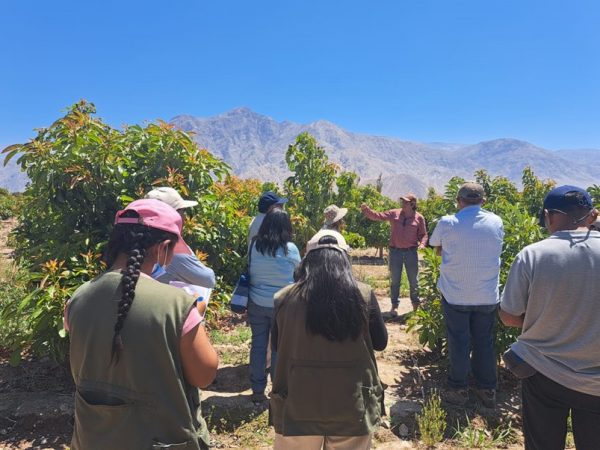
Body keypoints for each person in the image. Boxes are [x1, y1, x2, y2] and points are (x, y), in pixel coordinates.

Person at [66, 199, 218, 450]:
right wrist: (194, 318)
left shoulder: (78, 299)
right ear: (163, 248)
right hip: (161, 440)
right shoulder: (177, 305)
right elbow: (204, 375)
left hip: (93, 439)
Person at [499, 185, 600, 450]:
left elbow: (508, 316)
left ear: (549, 216)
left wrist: (544, 317)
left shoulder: (533, 254)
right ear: (592, 215)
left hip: (544, 373)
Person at [270, 231, 388, 450]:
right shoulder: (363, 294)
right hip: (353, 405)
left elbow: (277, 345)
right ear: (344, 259)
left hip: (298, 404)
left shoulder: (285, 298)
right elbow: (380, 342)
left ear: (307, 261)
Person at [429, 182, 503, 408]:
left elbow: (435, 245)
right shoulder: (496, 221)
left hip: (456, 295)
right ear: (484, 201)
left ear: (459, 201)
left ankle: (458, 389)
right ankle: (487, 389)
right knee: (484, 342)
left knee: (459, 342)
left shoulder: (448, 222)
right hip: (487, 296)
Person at [248, 209, 300, 404]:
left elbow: (251, 269)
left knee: (258, 345)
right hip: (282, 305)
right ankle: (277, 389)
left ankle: (257, 390)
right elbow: (298, 273)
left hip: (257, 302)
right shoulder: (291, 249)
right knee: (279, 348)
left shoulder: (254, 246)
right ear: (286, 226)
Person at [361, 193, 428, 313]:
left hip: (411, 252)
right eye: (403, 201)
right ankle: (394, 306)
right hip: (395, 252)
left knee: (413, 280)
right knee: (395, 280)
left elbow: (423, 235)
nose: (403, 203)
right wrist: (367, 211)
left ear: (413, 204)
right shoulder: (394, 213)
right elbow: (378, 216)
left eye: (406, 202)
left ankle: (415, 305)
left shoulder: (419, 218)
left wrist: (422, 244)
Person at [145, 187, 216, 288]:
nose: (184, 217)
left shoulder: (138, 240)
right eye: (182, 211)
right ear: (173, 215)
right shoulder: (169, 249)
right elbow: (208, 280)